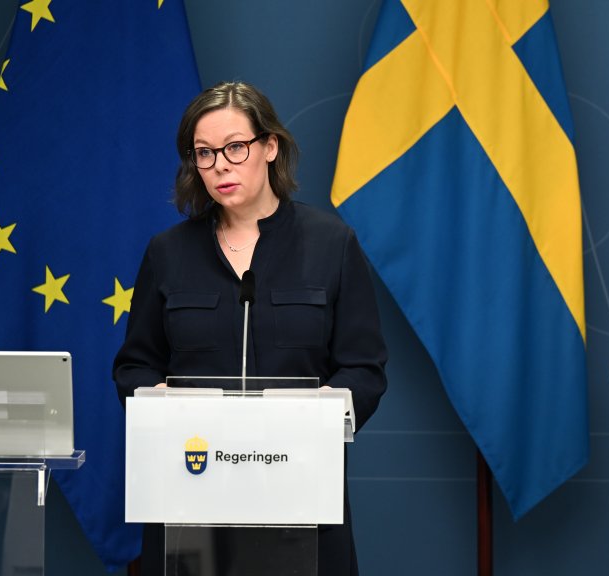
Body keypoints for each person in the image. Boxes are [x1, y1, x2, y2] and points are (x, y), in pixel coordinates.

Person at [113, 81, 388, 575]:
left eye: (235, 148)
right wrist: (159, 400)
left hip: (299, 494)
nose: (220, 164)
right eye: (204, 153)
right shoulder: (167, 252)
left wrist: (323, 415)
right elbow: (134, 365)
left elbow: (363, 369)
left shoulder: (332, 245)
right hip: (190, 491)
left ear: (269, 147)